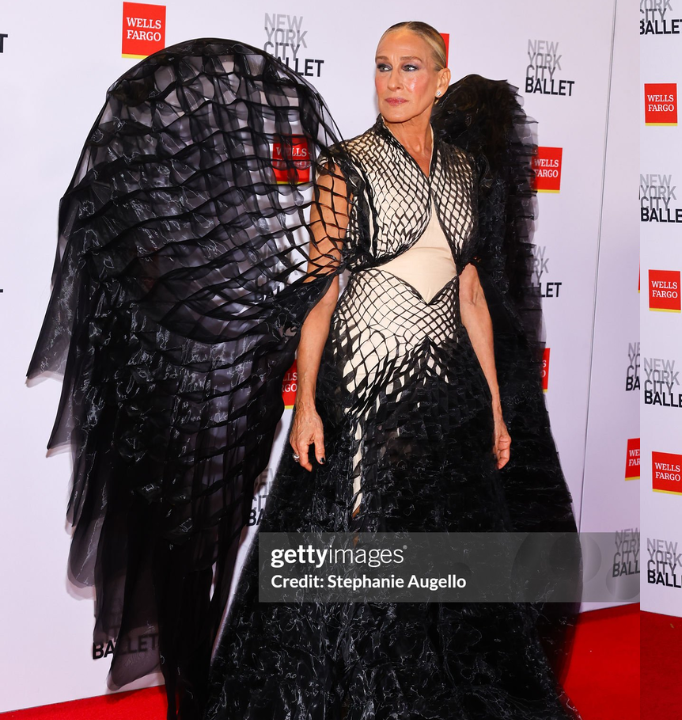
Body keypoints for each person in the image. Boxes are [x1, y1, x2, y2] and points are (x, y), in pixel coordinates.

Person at [29, 24, 579, 720]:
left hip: (452, 396)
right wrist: (309, 403)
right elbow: (321, 295)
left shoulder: (468, 172)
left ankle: (425, 692)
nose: (393, 81)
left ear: (440, 80)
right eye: (382, 66)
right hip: (364, 387)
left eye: (410, 67)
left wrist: (497, 407)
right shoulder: (346, 166)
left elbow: (471, 295)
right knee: (354, 552)